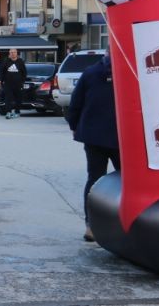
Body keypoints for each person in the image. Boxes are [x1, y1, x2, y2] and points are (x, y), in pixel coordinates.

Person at [66, 49, 120, 242]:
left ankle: (91, 226)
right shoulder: (129, 71)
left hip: (93, 135)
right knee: (124, 180)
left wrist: (74, 125)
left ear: (105, 54)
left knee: (94, 179)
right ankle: (123, 223)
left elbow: (75, 103)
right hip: (121, 137)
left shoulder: (90, 73)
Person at [1, 49, 27, 119]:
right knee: (8, 98)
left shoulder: (20, 61)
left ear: (16, 53)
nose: (12, 54)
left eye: (14, 52)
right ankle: (8, 112)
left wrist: (22, 82)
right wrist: (1, 80)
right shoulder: (6, 61)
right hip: (8, 84)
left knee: (18, 98)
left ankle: (17, 112)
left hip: (18, 84)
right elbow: (2, 72)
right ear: (9, 54)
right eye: (11, 52)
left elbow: (24, 73)